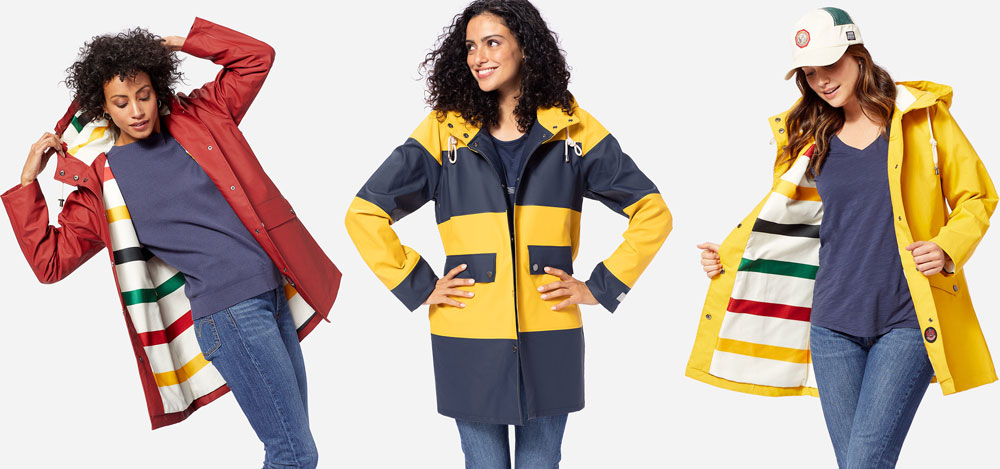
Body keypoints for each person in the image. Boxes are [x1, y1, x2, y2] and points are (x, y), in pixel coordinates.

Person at [2, 18, 341, 469]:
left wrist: (185, 43)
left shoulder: (201, 118)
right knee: (295, 455)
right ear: (105, 109)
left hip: (274, 294)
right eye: (121, 103)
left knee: (294, 449)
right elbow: (50, 261)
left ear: (158, 87)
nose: (137, 111)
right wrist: (28, 183)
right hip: (231, 316)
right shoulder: (104, 182)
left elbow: (257, 59)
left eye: (144, 95)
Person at [345, 0, 671, 466]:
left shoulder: (573, 130)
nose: (479, 56)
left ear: (526, 48)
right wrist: (418, 285)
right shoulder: (444, 131)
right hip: (467, 336)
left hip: (550, 333)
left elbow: (652, 211)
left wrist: (600, 287)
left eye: (493, 42)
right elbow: (364, 212)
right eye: (471, 47)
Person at [687, 8, 996, 468]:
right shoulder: (809, 137)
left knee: (865, 462)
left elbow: (977, 196)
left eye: (829, 65)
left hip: (907, 320)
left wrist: (948, 246)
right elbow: (785, 218)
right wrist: (728, 257)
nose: (821, 81)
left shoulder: (922, 121)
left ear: (857, 55)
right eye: (809, 74)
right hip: (831, 325)